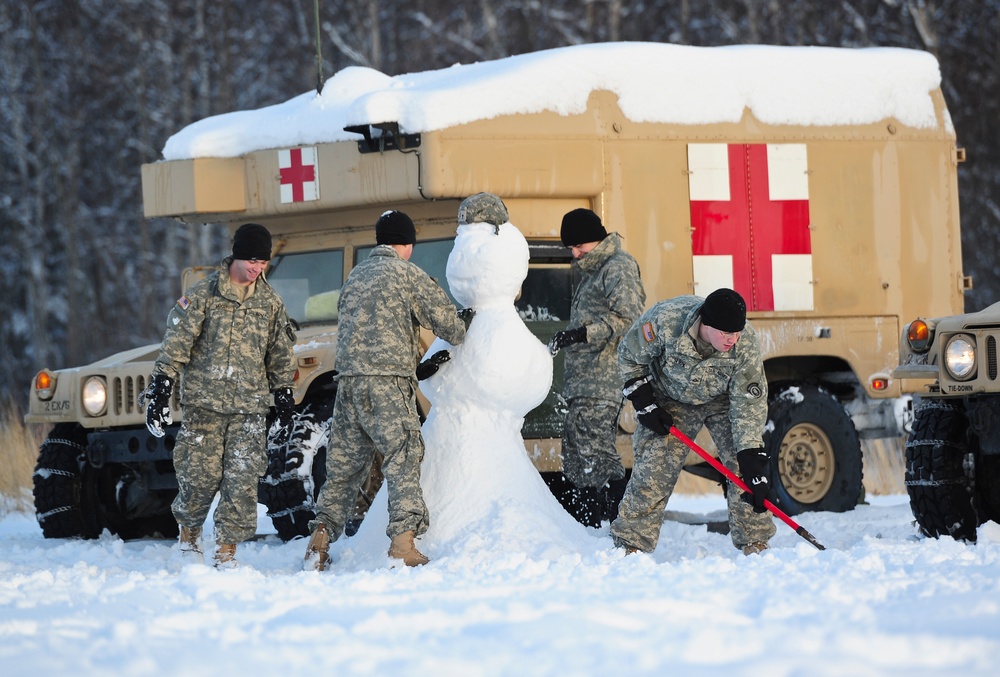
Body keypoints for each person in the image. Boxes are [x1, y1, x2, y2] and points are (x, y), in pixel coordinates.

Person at [304, 209, 471, 571]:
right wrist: (465, 319)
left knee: (343, 470)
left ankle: (319, 541)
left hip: (347, 386)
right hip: (387, 385)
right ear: (407, 244)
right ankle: (403, 544)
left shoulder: (355, 277)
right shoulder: (407, 275)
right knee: (403, 458)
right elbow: (451, 329)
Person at [142, 223, 296, 567]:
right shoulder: (203, 295)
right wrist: (161, 389)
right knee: (197, 478)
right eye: (252, 260)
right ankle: (189, 538)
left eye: (263, 262)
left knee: (242, 482)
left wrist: (284, 396)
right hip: (205, 407)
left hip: (249, 410)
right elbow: (176, 345)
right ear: (236, 256)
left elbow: (279, 354)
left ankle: (227, 552)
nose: (257, 268)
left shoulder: (270, 302)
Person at [611, 288, 776, 556]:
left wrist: (749, 450)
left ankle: (755, 541)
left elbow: (749, 400)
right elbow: (629, 355)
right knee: (654, 466)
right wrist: (645, 402)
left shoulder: (744, 341)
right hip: (671, 396)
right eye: (727, 333)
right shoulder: (666, 320)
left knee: (746, 467)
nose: (733, 339)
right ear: (706, 325)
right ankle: (630, 543)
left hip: (723, 400)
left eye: (737, 332)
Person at [547, 208, 645, 527]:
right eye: (570, 249)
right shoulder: (593, 269)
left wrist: (582, 333)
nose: (575, 254)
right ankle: (588, 526)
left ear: (597, 239)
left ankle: (614, 523)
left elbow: (630, 319)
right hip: (583, 381)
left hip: (602, 380)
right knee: (579, 457)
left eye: (579, 246)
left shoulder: (618, 266)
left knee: (598, 456)